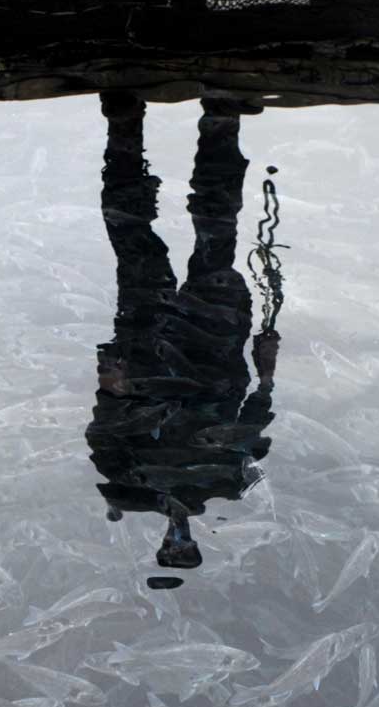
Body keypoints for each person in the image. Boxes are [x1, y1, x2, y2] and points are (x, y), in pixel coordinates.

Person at [87, 91, 280, 588]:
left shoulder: (126, 486)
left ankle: (123, 122)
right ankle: (221, 118)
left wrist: (111, 385)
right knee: (217, 229)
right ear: (195, 544)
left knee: (130, 230)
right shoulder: (227, 484)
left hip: (145, 344)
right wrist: (266, 371)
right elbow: (255, 424)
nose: (177, 542)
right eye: (186, 550)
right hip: (216, 347)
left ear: (161, 545)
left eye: (171, 550)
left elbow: (103, 430)